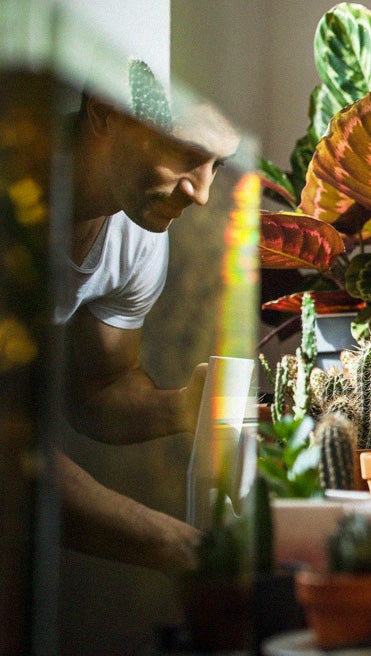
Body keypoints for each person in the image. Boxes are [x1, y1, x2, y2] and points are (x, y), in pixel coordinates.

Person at [56, 91, 240, 576]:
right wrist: (183, 549)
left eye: (217, 166)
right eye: (187, 154)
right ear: (104, 110)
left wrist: (184, 407)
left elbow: (99, 391)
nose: (201, 194)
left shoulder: (136, 235)